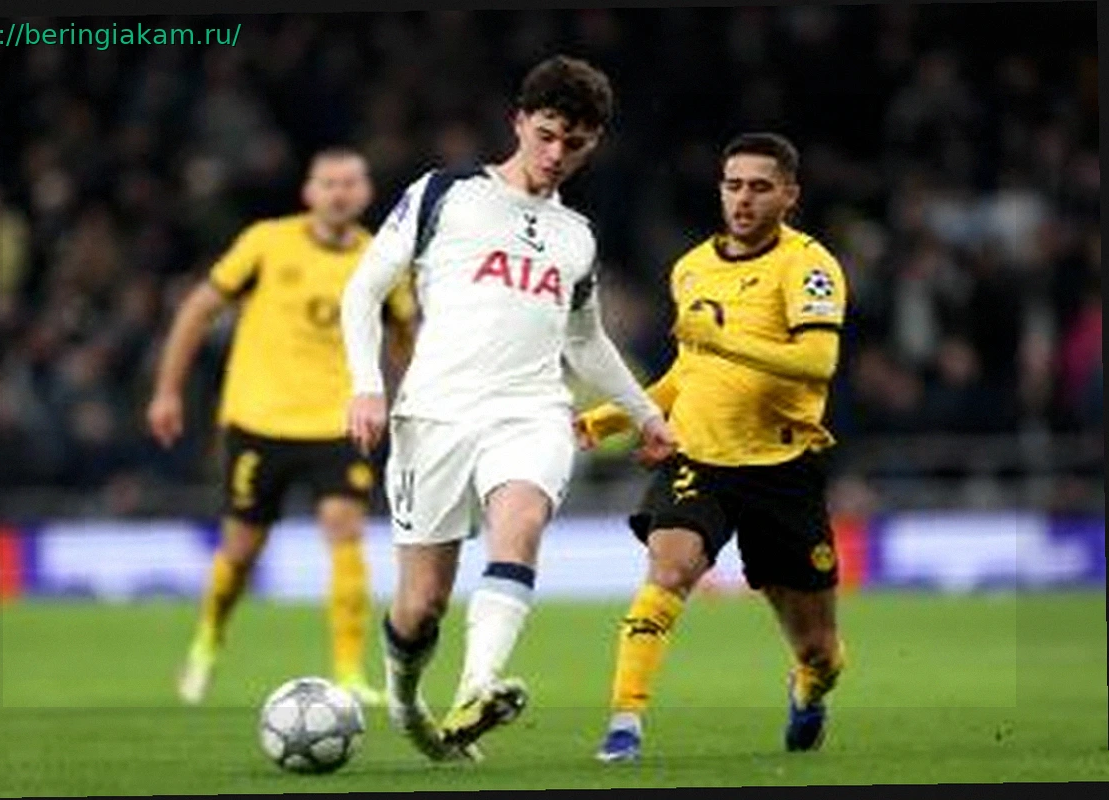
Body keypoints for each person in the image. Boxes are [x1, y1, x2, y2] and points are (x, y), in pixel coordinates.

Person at [340, 55, 676, 761]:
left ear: (592, 144)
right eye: (546, 135)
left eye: (574, 144)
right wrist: (366, 384)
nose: (556, 155)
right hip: (433, 414)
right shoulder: (444, 193)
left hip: (531, 412)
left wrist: (646, 415)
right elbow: (364, 290)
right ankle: (406, 703)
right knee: (421, 604)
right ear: (519, 122)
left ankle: (478, 688)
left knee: (519, 525)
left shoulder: (577, 235)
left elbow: (586, 342)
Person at [577, 132, 849, 762]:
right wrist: (608, 420)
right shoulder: (691, 267)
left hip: (783, 468)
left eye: (759, 187)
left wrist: (723, 341)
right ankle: (624, 725)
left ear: (789, 195)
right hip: (699, 459)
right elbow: (686, 375)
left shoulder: (809, 267)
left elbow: (818, 361)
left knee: (820, 650)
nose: (743, 199)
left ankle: (809, 688)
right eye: (733, 186)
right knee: (669, 571)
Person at [147, 148, 416, 707]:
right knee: (242, 549)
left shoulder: (382, 259)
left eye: (349, 183)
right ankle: (208, 639)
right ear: (309, 192)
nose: (338, 193)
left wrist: (414, 400)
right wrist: (168, 390)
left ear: (366, 193)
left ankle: (348, 671)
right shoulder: (266, 243)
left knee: (344, 528)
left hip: (338, 420)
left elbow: (404, 338)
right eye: (328, 183)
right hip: (258, 419)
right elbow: (197, 310)